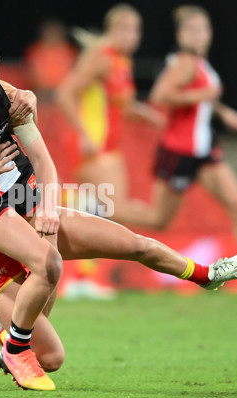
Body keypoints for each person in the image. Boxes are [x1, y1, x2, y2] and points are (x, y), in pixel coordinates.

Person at [0, 42, 237, 391]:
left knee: (132, 244)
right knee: (52, 353)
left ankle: (206, 274)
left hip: (17, 206)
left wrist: (27, 101)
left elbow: (26, 129)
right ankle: (10, 340)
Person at [117, 5, 237, 298]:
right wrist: (203, 96)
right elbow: (160, 95)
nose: (199, 35)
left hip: (205, 151)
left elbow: (203, 97)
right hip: (180, 152)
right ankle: (96, 210)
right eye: (193, 30)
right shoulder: (185, 62)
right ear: (181, 34)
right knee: (159, 219)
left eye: (204, 29)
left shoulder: (199, 63)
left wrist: (223, 112)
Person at [55, 4, 165, 299]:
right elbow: (65, 92)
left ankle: (82, 278)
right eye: (125, 28)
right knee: (114, 208)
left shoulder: (121, 62)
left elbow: (119, 103)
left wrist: (144, 114)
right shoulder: (101, 57)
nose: (132, 35)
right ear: (111, 30)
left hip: (109, 145)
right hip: (93, 144)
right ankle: (76, 275)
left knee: (104, 210)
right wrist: (82, 133)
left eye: (136, 29)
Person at [24, 19, 77, 101]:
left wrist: (62, 89)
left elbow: (74, 72)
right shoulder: (36, 50)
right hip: (43, 93)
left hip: (64, 91)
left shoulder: (69, 50)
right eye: (50, 33)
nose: (53, 35)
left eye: (55, 32)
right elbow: (33, 73)